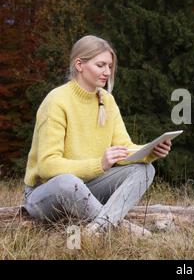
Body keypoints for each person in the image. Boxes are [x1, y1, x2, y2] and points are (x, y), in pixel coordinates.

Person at [23, 35, 172, 237]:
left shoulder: (107, 100)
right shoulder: (57, 101)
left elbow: (124, 148)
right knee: (68, 182)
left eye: (110, 66)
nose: (107, 72)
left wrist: (150, 151)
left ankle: (97, 229)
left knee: (145, 170)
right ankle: (124, 231)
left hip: (88, 187)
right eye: (101, 65)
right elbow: (47, 166)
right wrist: (99, 164)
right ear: (79, 65)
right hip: (46, 193)